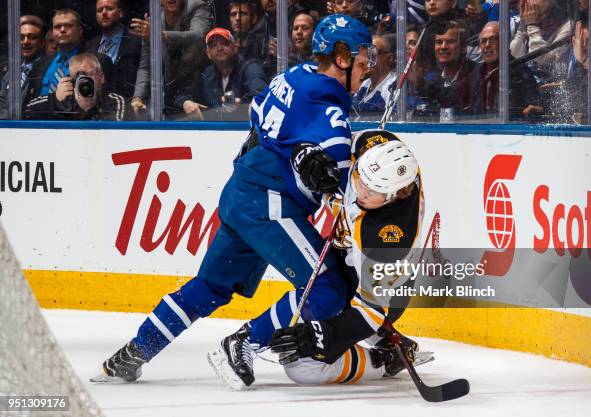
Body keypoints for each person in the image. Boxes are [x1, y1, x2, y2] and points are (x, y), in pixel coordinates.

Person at [92, 14, 375, 389]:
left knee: (210, 287)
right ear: (342, 56)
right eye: (363, 56)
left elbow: (260, 119)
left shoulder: (292, 76)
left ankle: (133, 353)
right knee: (330, 286)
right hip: (269, 205)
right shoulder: (331, 114)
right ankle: (243, 342)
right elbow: (347, 185)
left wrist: (295, 153)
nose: (369, 64)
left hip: (241, 191)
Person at [268, 130, 428, 385]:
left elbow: (372, 310)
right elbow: (335, 139)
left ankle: (385, 359)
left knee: (302, 368)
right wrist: (308, 153)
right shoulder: (374, 145)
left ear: (394, 196)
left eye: (372, 192)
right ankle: (384, 338)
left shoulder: (389, 239)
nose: (361, 193)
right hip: (346, 255)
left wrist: (320, 335)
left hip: (381, 289)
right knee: (324, 293)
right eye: (360, 181)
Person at [129, 0, 213, 116]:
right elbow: (146, 66)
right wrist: (137, 97)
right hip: (169, 96)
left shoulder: (196, 6)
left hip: (197, 89)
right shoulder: (153, 22)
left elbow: (198, 36)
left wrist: (162, 35)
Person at [23, 9, 114, 111]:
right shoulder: (40, 65)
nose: (62, 30)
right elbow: (28, 107)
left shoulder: (98, 61)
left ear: (80, 30)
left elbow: (104, 102)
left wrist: (54, 101)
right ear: (52, 32)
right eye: (57, 27)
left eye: (68, 26)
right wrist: (53, 100)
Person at [174, 28, 267, 119]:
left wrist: (242, 104)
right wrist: (186, 102)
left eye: (225, 43)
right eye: (213, 45)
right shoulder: (207, 74)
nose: (219, 48)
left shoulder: (249, 68)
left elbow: (261, 92)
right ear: (208, 53)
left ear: (234, 48)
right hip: (215, 131)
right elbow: (181, 95)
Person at [24, 52, 130, 120]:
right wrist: (55, 101)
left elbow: (118, 130)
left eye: (88, 75)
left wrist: (89, 107)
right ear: (70, 79)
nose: (83, 81)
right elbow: (27, 113)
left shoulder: (114, 101)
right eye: (78, 76)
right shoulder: (63, 98)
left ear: (101, 77)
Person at [468, 22, 542, 119]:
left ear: (505, 43)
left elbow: (534, 106)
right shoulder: (477, 72)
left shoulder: (520, 71)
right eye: (483, 41)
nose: (487, 45)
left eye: (492, 40)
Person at [85, 0, 142, 100]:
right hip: (96, 105)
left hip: (128, 105)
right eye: (99, 10)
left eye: (109, 9)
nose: (104, 13)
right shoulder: (88, 46)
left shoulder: (137, 41)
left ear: (120, 13)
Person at [0, 15, 45, 119]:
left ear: (42, 43)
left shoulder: (47, 69)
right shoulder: (11, 70)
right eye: (21, 37)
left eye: (32, 37)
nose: (25, 42)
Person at [352, 34, 397, 115]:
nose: (367, 59)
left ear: (389, 58)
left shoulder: (393, 86)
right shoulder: (365, 84)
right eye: (365, 53)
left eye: (372, 53)